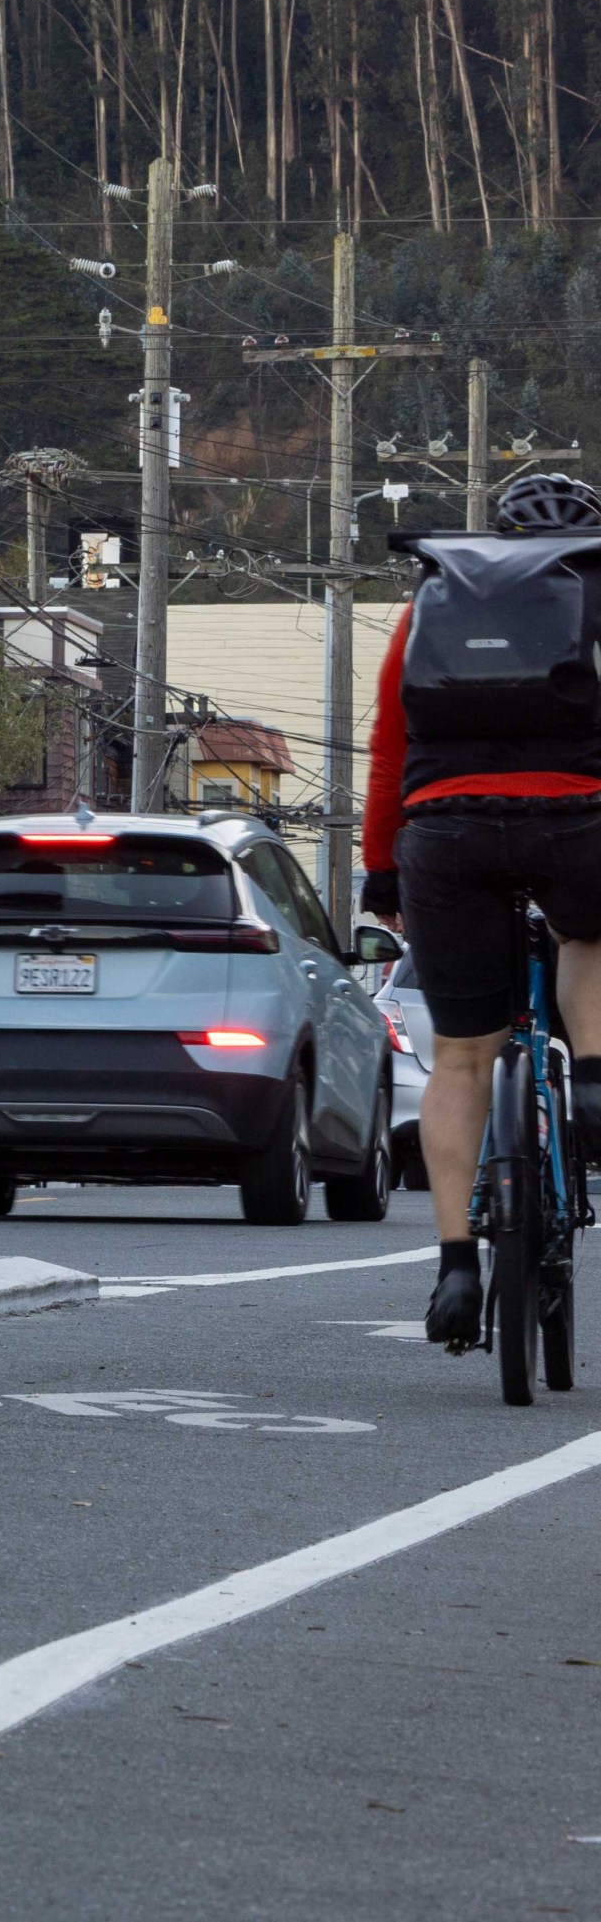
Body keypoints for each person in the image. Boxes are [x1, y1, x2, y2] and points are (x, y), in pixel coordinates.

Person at [357, 468, 601, 1349]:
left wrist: (380, 867)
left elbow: (391, 742)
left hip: (444, 828)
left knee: (461, 1057)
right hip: (579, 819)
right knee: (587, 929)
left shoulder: (435, 599)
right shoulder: (598, 593)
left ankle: (458, 1260)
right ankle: (597, 1080)